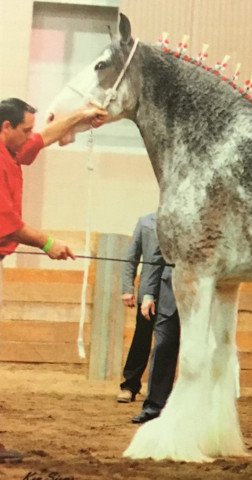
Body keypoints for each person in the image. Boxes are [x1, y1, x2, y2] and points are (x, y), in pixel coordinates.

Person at [0, 97, 107, 463]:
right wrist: (49, 243)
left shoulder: (10, 153)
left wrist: (80, 117)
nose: (31, 134)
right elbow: (8, 224)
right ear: (6, 128)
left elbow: (43, 137)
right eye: (24, 129)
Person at [119, 213, 180, 424]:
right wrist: (129, 288)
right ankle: (130, 385)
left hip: (174, 288)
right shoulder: (145, 222)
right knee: (142, 338)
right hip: (150, 288)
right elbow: (132, 256)